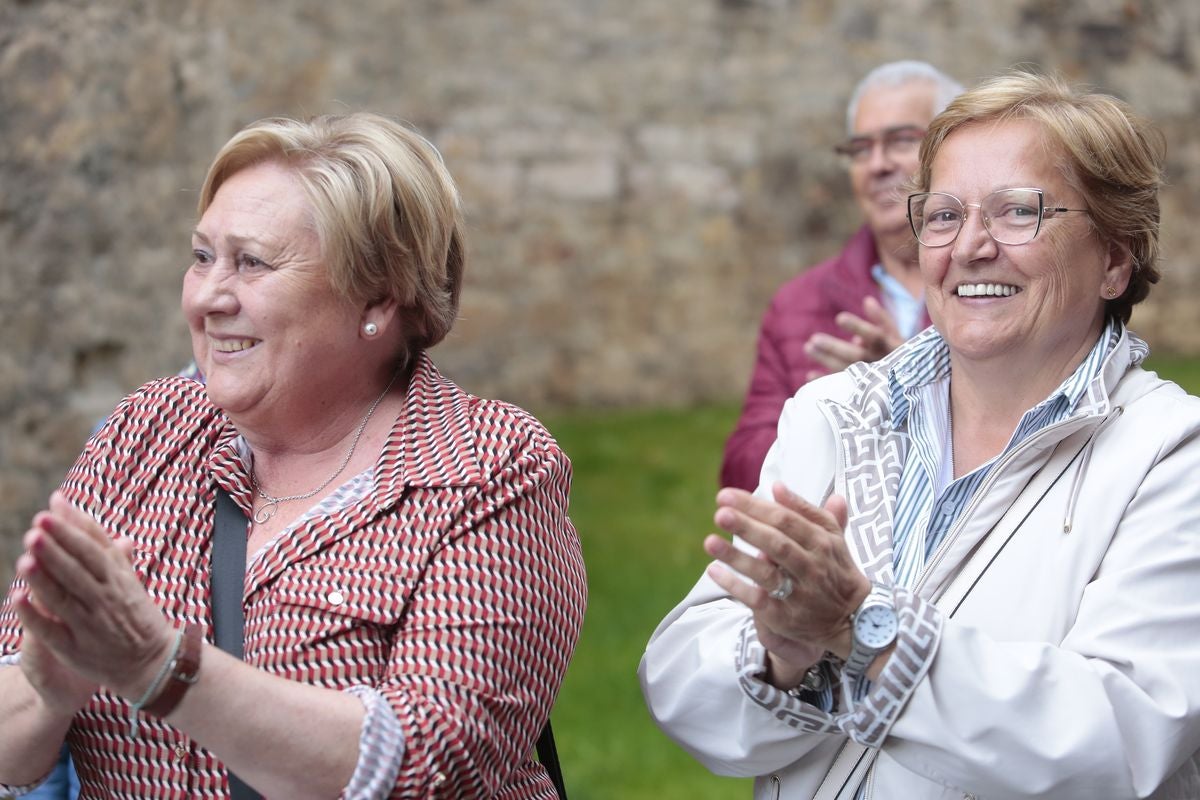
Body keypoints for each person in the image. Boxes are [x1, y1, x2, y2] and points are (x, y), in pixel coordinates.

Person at [641, 70, 1200, 797]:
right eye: (942, 215)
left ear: (1116, 260)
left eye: (1017, 212)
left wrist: (863, 628)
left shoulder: (1170, 451)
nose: (969, 246)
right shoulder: (834, 412)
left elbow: (1120, 741)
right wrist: (782, 657)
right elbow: (680, 680)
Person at [0, 112, 587, 799]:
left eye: (251, 262)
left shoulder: (489, 468)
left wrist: (162, 669)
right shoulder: (144, 433)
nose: (209, 298)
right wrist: (50, 689)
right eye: (201, 257)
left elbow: (432, 763)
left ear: (378, 296)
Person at [720, 60, 963, 491]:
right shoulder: (798, 303)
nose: (878, 164)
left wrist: (915, 383)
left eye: (902, 140)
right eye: (861, 148)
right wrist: (849, 411)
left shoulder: (992, 286)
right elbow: (742, 467)